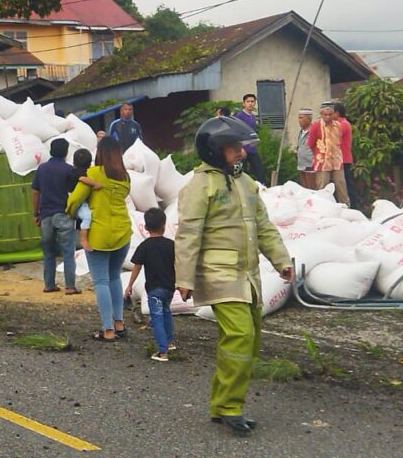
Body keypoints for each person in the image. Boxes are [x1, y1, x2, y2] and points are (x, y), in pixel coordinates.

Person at [175, 116, 292, 435]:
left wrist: (281, 260)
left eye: (241, 146)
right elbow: (188, 233)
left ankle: (220, 403)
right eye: (233, 147)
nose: (241, 152)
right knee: (240, 336)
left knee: (247, 342)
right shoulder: (200, 186)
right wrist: (184, 278)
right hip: (218, 274)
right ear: (214, 150)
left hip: (248, 276)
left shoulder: (247, 184)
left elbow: (265, 227)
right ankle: (230, 407)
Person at [66, 137, 131, 342]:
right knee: (114, 277)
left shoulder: (93, 174)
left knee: (101, 280)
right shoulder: (125, 177)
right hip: (122, 232)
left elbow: (75, 199)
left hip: (99, 235)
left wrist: (71, 212)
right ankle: (119, 323)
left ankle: (108, 330)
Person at [124, 208, 176, 361]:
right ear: (164, 226)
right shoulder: (171, 245)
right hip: (169, 288)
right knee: (166, 313)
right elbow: (177, 264)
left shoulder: (145, 246)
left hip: (154, 289)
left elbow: (137, 267)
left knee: (157, 318)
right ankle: (169, 342)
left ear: (146, 228)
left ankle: (162, 351)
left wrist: (130, 285)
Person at [32, 138, 79, 294]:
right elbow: (75, 193)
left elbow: (35, 192)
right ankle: (70, 286)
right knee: (68, 253)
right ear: (65, 152)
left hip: (45, 216)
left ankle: (49, 285)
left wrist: (36, 213)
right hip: (64, 214)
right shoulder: (69, 170)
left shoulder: (41, 169)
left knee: (49, 253)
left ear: (51, 151)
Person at [307, 104, 349, 205]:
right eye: (325, 114)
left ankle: (346, 206)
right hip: (322, 162)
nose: (328, 117)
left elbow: (340, 141)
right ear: (321, 114)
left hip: (337, 161)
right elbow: (310, 143)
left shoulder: (338, 125)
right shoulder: (316, 126)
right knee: (322, 186)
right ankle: (322, 207)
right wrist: (319, 154)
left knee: (341, 185)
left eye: (330, 114)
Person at [233, 94, 267, 184]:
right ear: (244, 103)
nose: (250, 104)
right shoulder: (239, 116)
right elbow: (235, 132)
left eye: (252, 101)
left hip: (252, 149)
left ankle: (262, 189)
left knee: (259, 170)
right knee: (239, 173)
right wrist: (240, 148)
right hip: (241, 150)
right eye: (248, 101)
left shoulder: (252, 117)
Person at [67, 149, 95, 254]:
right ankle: (83, 240)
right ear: (89, 164)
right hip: (77, 200)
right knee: (88, 217)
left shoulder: (72, 171)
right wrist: (95, 184)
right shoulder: (82, 173)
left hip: (73, 198)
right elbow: (82, 179)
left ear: (74, 162)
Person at [332, 103, 358, 209]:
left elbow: (334, 135)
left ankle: (353, 204)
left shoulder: (343, 124)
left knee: (346, 183)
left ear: (337, 113)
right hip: (338, 158)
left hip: (344, 158)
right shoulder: (338, 123)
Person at [296, 108, 315, 190]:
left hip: (310, 164)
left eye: (301, 118)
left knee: (311, 188)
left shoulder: (314, 131)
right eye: (299, 118)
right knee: (304, 189)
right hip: (301, 164)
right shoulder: (301, 131)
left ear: (308, 119)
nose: (299, 120)